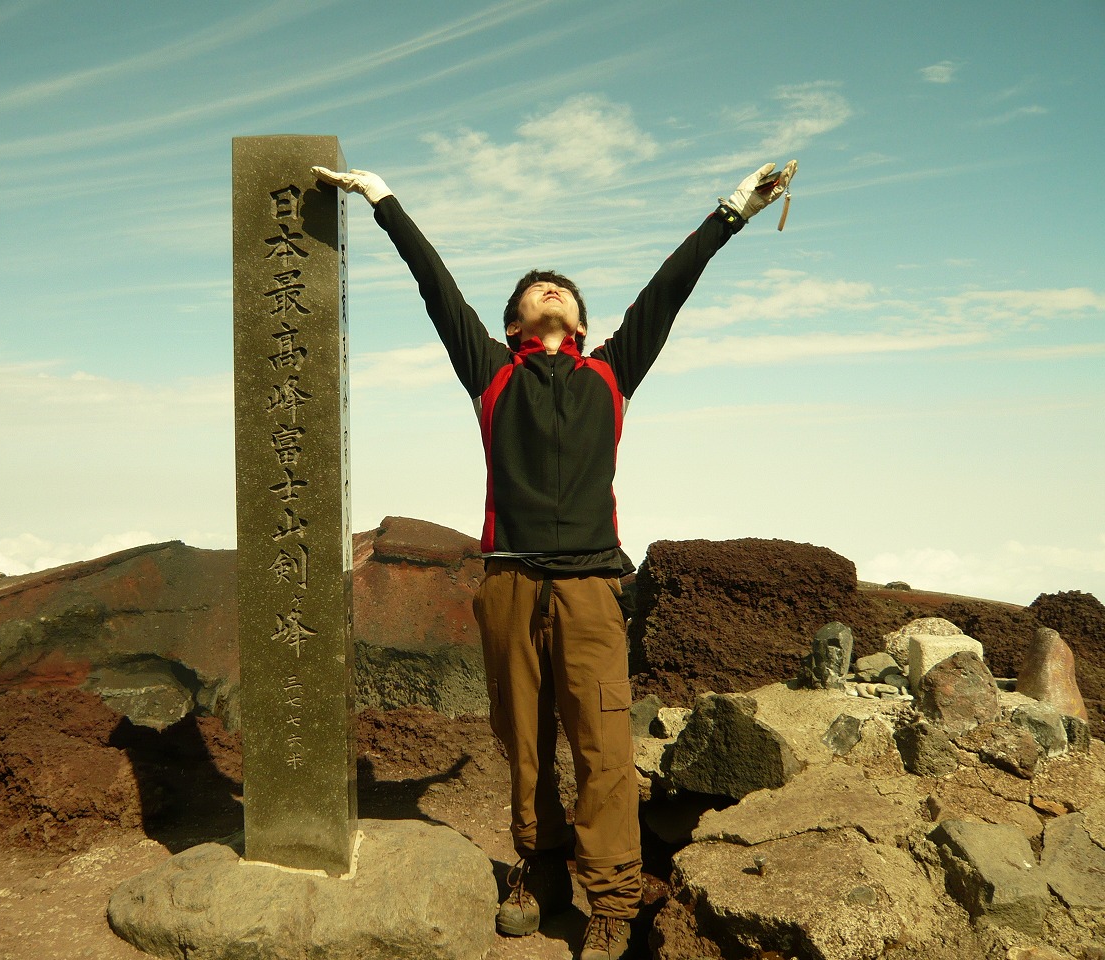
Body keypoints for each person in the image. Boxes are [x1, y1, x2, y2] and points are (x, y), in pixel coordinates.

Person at [313, 159, 796, 960]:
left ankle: (611, 901)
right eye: (534, 290)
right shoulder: (491, 375)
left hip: (591, 589)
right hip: (508, 582)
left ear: (578, 320)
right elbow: (437, 288)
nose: (549, 290)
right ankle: (539, 872)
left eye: (561, 290)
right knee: (524, 743)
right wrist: (383, 200)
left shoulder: (611, 372)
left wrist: (733, 211)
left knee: (604, 747)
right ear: (512, 324)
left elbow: (669, 289)